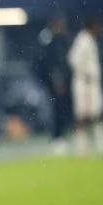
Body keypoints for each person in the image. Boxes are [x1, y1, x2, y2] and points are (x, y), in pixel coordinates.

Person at [67, 17, 103, 157]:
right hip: (84, 84)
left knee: (95, 114)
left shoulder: (89, 40)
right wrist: (85, 74)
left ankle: (101, 147)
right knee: (83, 116)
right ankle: (83, 148)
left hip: (90, 83)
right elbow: (73, 59)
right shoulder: (82, 40)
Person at [35, 17, 73, 151]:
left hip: (59, 80)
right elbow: (50, 62)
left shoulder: (60, 39)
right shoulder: (48, 38)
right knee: (56, 109)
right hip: (52, 81)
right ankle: (56, 137)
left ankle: (60, 135)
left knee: (62, 108)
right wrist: (56, 79)